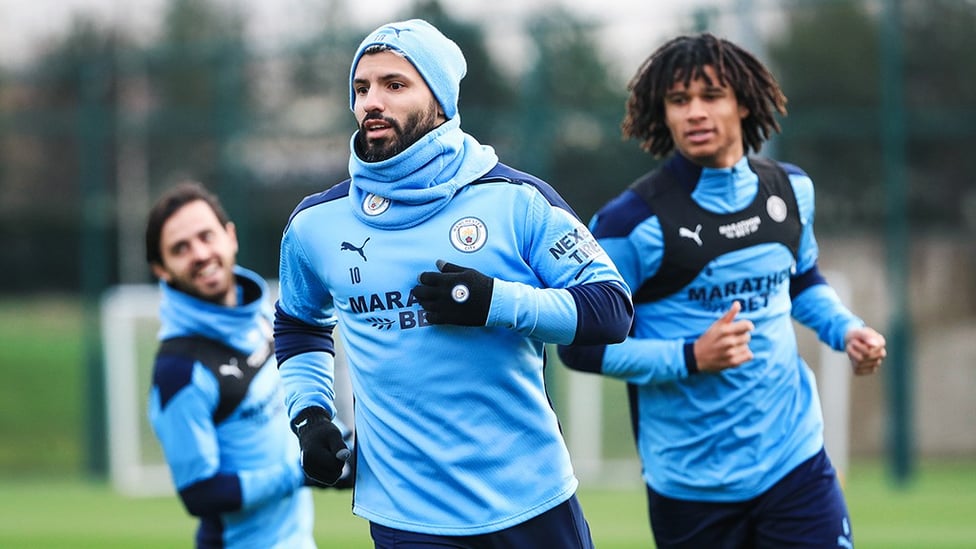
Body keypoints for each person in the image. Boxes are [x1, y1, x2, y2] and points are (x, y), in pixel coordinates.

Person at [273, 18, 633, 548]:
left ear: (439, 99)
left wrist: (495, 301)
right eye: (361, 87)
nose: (372, 101)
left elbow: (611, 309)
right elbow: (299, 324)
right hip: (407, 516)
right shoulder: (315, 225)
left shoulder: (516, 200)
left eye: (395, 85)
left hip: (531, 502)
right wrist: (309, 414)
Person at [557, 33, 887, 549]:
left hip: (793, 458)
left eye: (711, 96)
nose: (694, 112)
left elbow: (801, 281)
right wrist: (691, 357)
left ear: (743, 103)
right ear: (662, 113)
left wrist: (847, 330)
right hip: (689, 482)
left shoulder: (791, 190)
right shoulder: (630, 222)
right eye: (679, 100)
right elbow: (580, 347)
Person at [145, 181, 351, 549]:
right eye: (180, 248)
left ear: (230, 237)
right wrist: (303, 472)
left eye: (206, 236)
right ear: (161, 269)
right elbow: (200, 494)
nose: (200, 254)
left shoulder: (260, 317)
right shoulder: (179, 370)